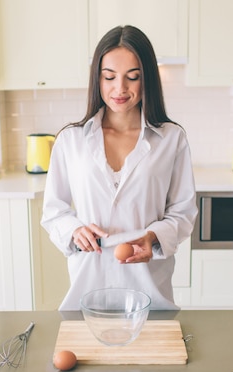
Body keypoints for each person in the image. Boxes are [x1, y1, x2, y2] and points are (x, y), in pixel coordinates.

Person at [41, 25, 197, 311]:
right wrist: (74, 230)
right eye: (109, 77)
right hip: (87, 289)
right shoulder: (71, 140)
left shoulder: (172, 138)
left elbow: (183, 213)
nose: (120, 89)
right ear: (97, 79)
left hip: (150, 291)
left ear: (147, 78)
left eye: (132, 77)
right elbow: (54, 211)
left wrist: (154, 236)